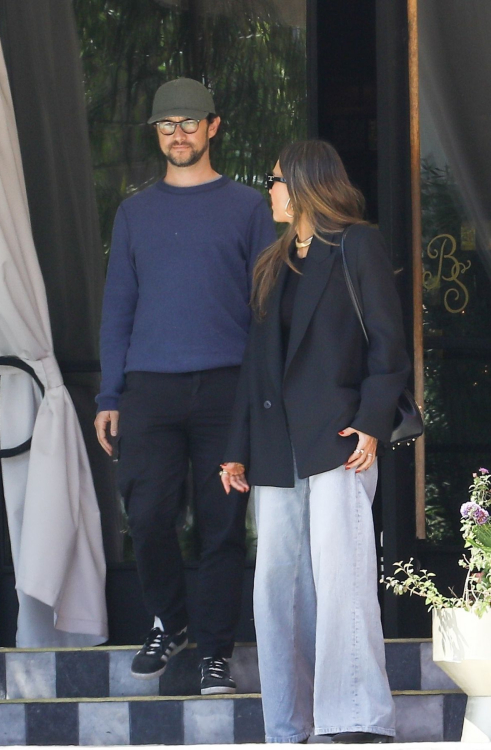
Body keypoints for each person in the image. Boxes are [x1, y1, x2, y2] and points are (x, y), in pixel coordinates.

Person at [221, 140, 411, 741]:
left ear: (304, 182)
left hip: (339, 439)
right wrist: (237, 445)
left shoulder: (357, 243)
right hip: (278, 446)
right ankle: (289, 723)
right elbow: (257, 364)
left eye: (274, 179)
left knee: (341, 578)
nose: (268, 189)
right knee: (278, 587)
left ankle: (354, 718)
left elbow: (389, 344)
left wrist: (375, 423)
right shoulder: (276, 259)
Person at [94, 77, 276, 694]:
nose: (178, 134)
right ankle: (172, 623)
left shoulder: (251, 207)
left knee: (223, 526)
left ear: (213, 126)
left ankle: (216, 653)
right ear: (157, 133)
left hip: (226, 389)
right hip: (149, 389)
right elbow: (118, 308)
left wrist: (261, 398)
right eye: (166, 125)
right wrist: (109, 395)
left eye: (189, 123)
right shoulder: (134, 211)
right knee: (146, 515)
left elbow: (265, 309)